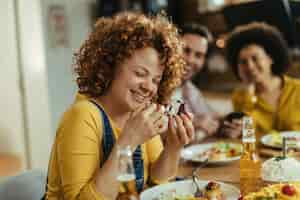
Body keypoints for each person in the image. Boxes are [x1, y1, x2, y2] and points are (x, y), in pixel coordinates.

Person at [44, 13, 195, 200]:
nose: (149, 87)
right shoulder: (83, 116)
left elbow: (156, 188)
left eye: (156, 79)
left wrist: (173, 146)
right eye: (140, 73)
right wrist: (129, 140)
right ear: (111, 65)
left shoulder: (140, 113)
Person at [223, 22, 300, 140]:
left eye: (255, 58)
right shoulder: (239, 97)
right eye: (243, 62)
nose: (250, 66)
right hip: (262, 157)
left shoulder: (297, 89)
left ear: (270, 58)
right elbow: (245, 136)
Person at [171, 23, 219, 139]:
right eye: (185, 50)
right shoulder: (153, 85)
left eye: (198, 55)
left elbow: (210, 117)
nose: (190, 60)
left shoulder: (189, 88)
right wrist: (192, 122)